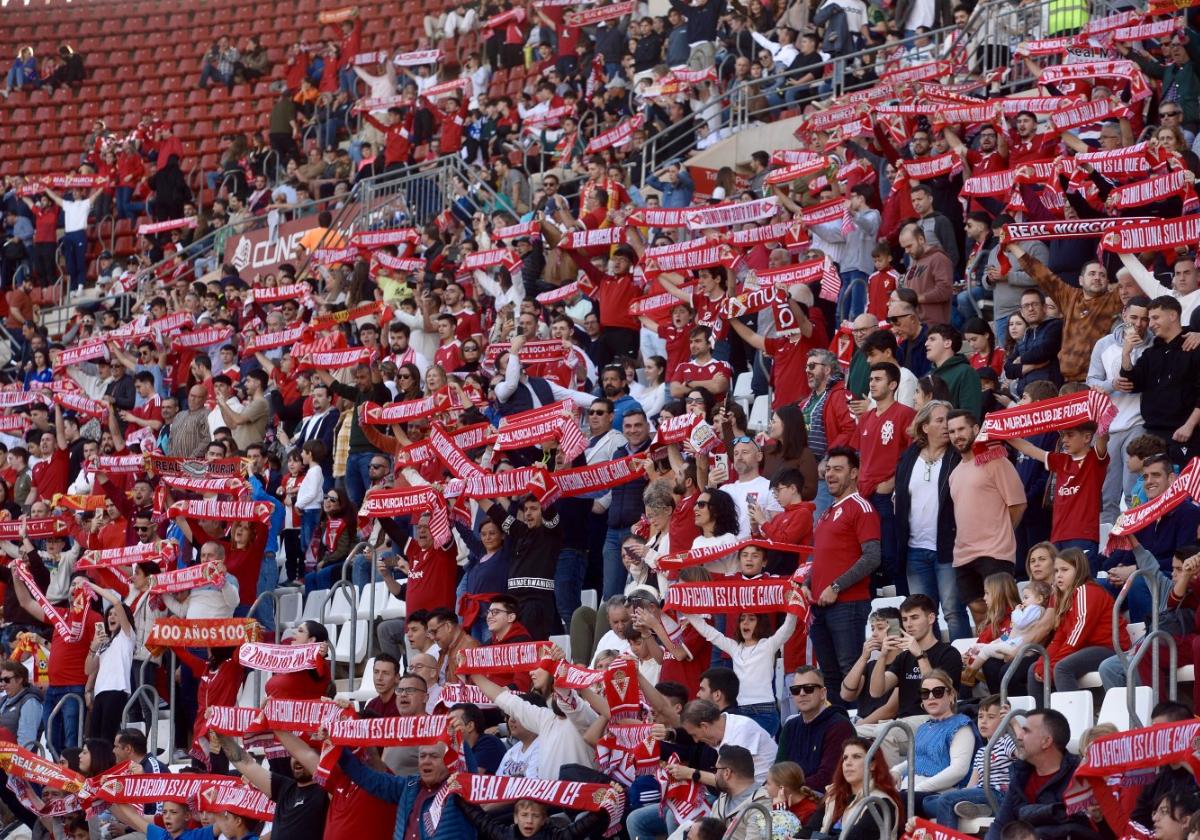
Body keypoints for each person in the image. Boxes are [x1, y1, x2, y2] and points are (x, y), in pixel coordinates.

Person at [807, 447, 880, 701]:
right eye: (828, 469)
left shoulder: (861, 507)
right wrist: (808, 583)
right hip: (819, 606)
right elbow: (822, 558)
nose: (830, 475)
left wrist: (836, 586)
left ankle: (857, 731)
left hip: (848, 605)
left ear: (854, 473)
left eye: (838, 469)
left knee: (851, 673)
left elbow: (872, 557)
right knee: (829, 677)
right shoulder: (827, 512)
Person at [946, 410, 1027, 630]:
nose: (956, 435)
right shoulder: (955, 473)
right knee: (978, 610)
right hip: (963, 554)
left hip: (995, 551)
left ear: (975, 429)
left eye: (961, 429)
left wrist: (1002, 532)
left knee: (1003, 612)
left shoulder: (996, 460)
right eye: (952, 431)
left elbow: (1018, 503)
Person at [894, 400, 967, 639]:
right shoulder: (909, 456)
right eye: (940, 420)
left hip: (947, 547)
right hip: (914, 549)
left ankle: (962, 670)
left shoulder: (957, 456)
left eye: (949, 419)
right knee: (924, 614)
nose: (948, 425)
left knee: (953, 611)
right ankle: (931, 668)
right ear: (924, 427)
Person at [1029, 548, 1129, 694]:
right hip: (1087, 648)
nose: (1059, 575)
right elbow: (1060, 637)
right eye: (1056, 571)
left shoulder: (1087, 591)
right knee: (1034, 669)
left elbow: (1078, 634)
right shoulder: (1066, 597)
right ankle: (1041, 716)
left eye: (1064, 570)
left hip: (1111, 648)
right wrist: (1042, 663)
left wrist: (1052, 665)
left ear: (1079, 571)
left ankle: (1073, 715)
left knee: (1061, 668)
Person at [983, 710, 1090, 840]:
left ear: (1046, 741)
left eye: (1026, 731)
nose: (1019, 736)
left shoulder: (1079, 774)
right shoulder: (1021, 775)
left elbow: (1081, 827)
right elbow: (1000, 824)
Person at [922, 694, 1017, 827]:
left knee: (946, 801)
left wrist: (1013, 721)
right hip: (980, 793)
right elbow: (972, 785)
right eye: (980, 716)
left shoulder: (1007, 741)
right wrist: (961, 794)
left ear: (1004, 720)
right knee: (928, 801)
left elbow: (1023, 753)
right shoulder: (981, 752)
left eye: (990, 717)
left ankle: (973, 811)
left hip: (999, 795)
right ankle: (978, 809)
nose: (983, 721)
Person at [891, 670, 974, 814]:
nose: (930, 697)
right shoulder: (924, 727)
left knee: (889, 805)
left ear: (951, 695)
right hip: (910, 791)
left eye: (938, 692)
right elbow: (915, 760)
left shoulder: (961, 726)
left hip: (937, 795)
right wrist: (896, 771)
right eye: (925, 693)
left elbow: (958, 770)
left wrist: (917, 789)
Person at [805, 737, 903, 840]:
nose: (848, 763)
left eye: (856, 757)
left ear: (872, 765)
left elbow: (852, 838)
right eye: (845, 758)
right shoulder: (833, 795)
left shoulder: (881, 803)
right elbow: (809, 830)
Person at [776, 666, 855, 793]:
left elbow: (828, 777)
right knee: (751, 805)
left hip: (821, 796)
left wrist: (788, 789)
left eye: (809, 688)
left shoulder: (840, 726)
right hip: (786, 794)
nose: (802, 693)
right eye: (795, 690)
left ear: (823, 693)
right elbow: (778, 769)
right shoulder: (790, 726)